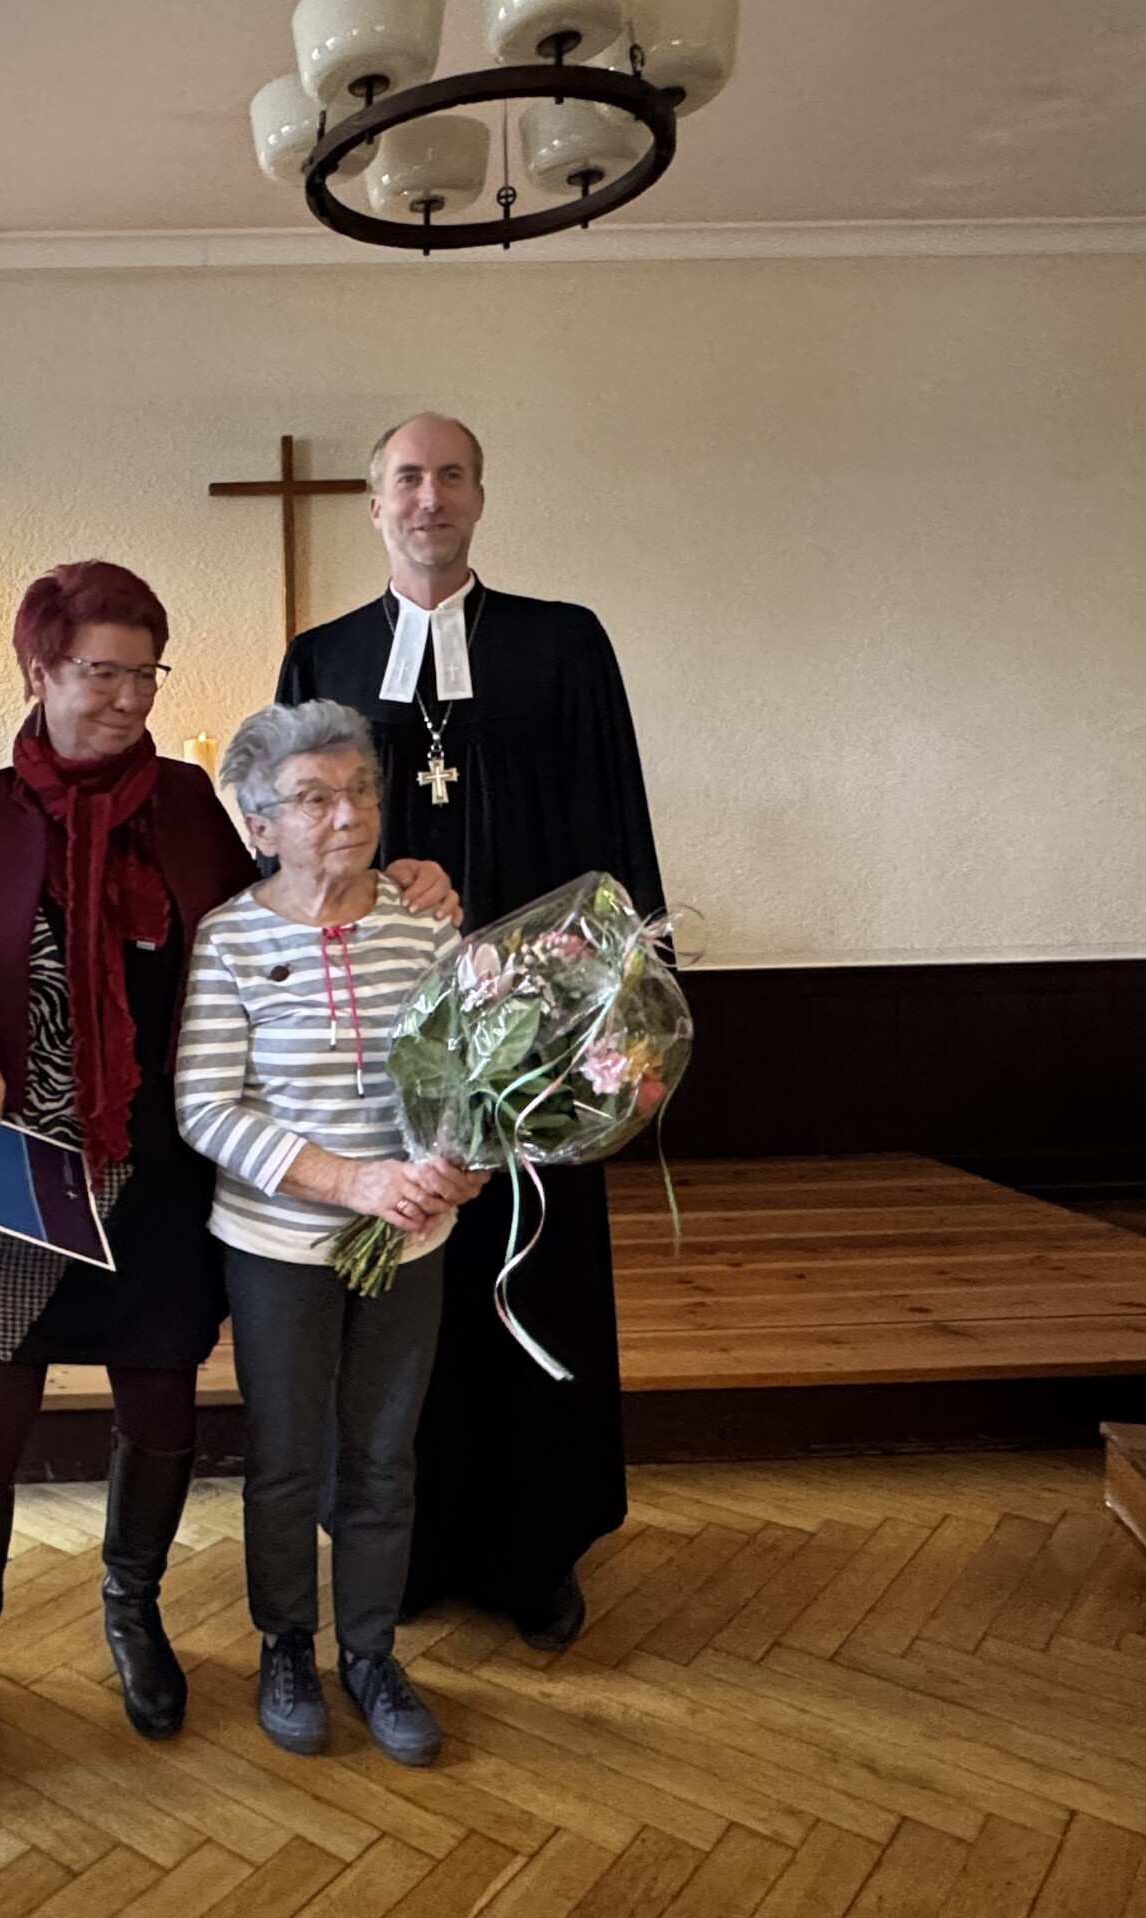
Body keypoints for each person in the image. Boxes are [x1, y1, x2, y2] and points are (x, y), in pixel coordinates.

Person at [0, 562, 455, 1801]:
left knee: (160, 1408)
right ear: (37, 669)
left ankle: (133, 1611)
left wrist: (413, 876)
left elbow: (301, 887)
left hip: (165, 1171)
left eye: (146, 672)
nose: (129, 698)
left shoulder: (193, 803)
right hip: (27, 1164)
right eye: (102, 672)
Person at [276, 413, 667, 1653]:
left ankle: (535, 1552)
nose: (428, 497)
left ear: (479, 498)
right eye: (407, 478)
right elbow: (291, 844)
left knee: (533, 1277)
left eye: (450, 476)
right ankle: (405, 1545)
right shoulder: (324, 657)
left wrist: (621, 1014)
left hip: (544, 1041)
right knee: (401, 1287)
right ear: (374, 503)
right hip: (383, 1041)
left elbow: (615, 830)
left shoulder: (563, 643)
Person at [176, 700, 488, 1766]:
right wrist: (350, 1180)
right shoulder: (230, 936)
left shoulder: (425, 922)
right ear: (260, 825)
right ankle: (285, 1644)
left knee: (383, 1458)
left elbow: (470, 1074)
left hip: (410, 1240)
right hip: (277, 1248)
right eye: (314, 799)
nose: (347, 815)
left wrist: (462, 1159)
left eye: (359, 792)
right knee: (283, 1460)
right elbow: (205, 1107)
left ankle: (370, 1651)